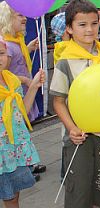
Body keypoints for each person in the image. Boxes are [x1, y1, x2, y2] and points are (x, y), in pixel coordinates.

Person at [50, 0, 100, 207]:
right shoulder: (65, 61)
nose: (90, 29)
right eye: (82, 25)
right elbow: (58, 101)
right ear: (69, 29)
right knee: (79, 191)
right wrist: (72, 128)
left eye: (94, 23)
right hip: (78, 138)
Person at [0, 36, 45, 208]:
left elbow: (22, 111)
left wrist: (33, 85)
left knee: (14, 195)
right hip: (1, 151)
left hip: (13, 148)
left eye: (2, 53)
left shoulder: (11, 80)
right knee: (9, 196)